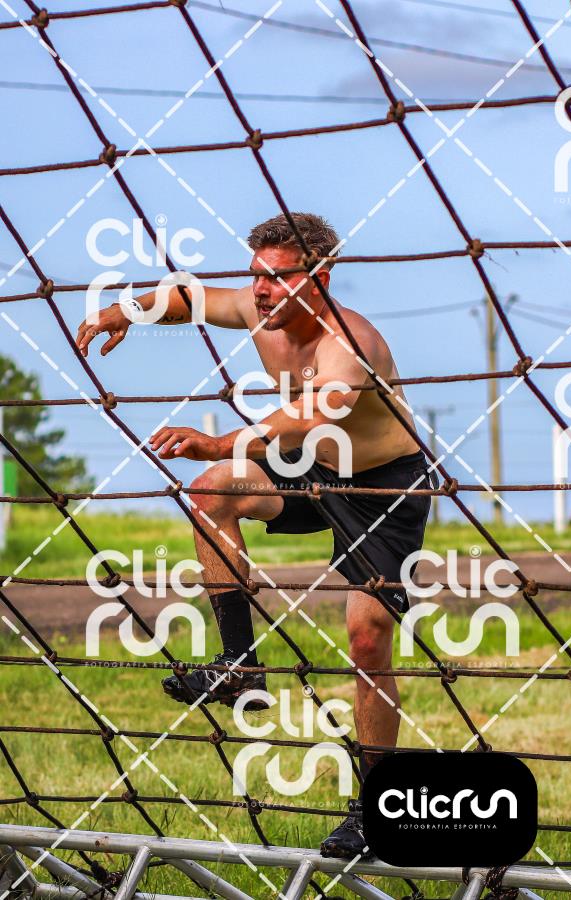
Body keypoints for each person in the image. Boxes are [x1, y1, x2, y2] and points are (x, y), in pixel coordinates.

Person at [76, 212, 435, 860]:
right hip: (312, 469)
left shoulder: (350, 342)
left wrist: (221, 442)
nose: (261, 291)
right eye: (256, 276)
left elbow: (309, 417)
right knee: (211, 490)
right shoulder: (259, 308)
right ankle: (240, 666)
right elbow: (190, 297)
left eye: (278, 278)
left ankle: (377, 810)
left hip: (383, 489)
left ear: (320, 278)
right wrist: (123, 311)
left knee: (366, 638)